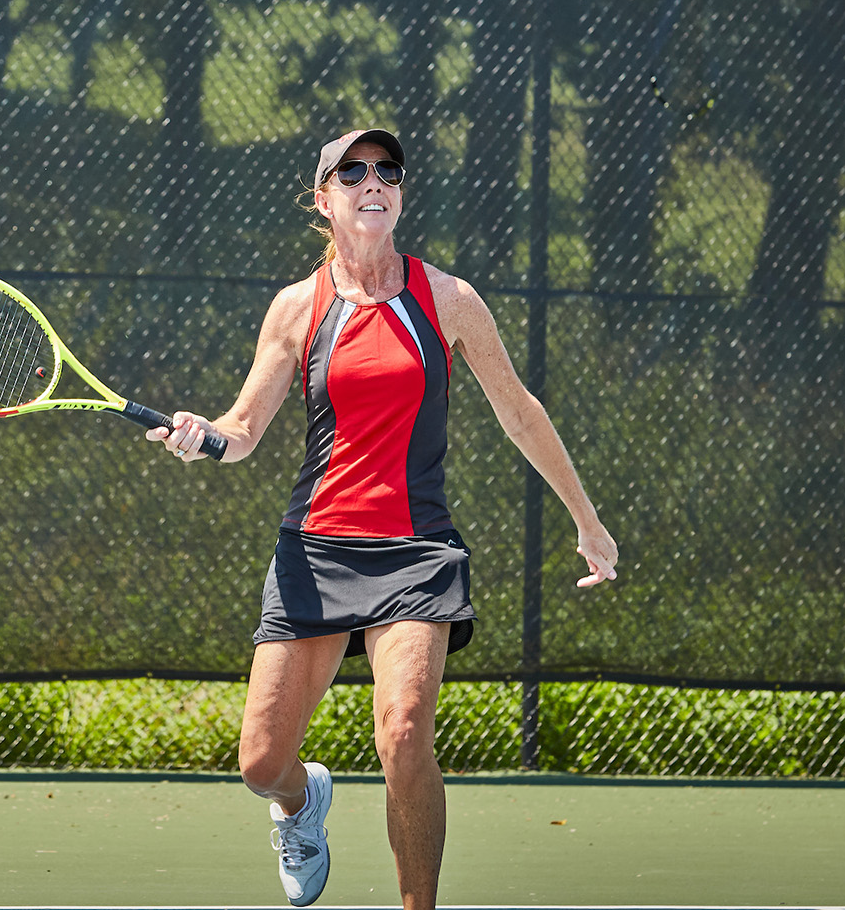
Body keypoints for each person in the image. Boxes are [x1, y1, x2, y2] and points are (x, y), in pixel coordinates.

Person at [149, 128, 618, 910]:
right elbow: (243, 428)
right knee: (261, 763)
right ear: (324, 198)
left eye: (387, 171)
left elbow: (520, 413)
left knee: (403, 735)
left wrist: (587, 520)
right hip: (316, 550)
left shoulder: (449, 299)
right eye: (354, 171)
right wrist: (207, 437)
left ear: (398, 193)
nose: (375, 182)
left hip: (415, 552)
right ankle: (302, 804)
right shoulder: (298, 308)